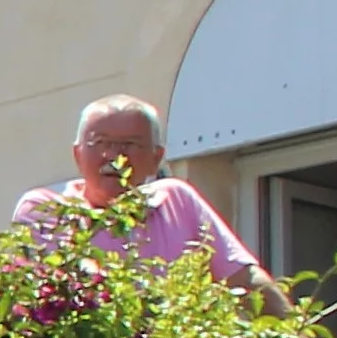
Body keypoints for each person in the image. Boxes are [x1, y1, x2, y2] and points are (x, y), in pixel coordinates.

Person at [15, 93, 276, 294]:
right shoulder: (45, 208)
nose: (115, 156)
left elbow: (245, 278)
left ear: (156, 158)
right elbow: (79, 286)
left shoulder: (178, 200)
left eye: (131, 145)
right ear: (77, 154)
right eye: (101, 143)